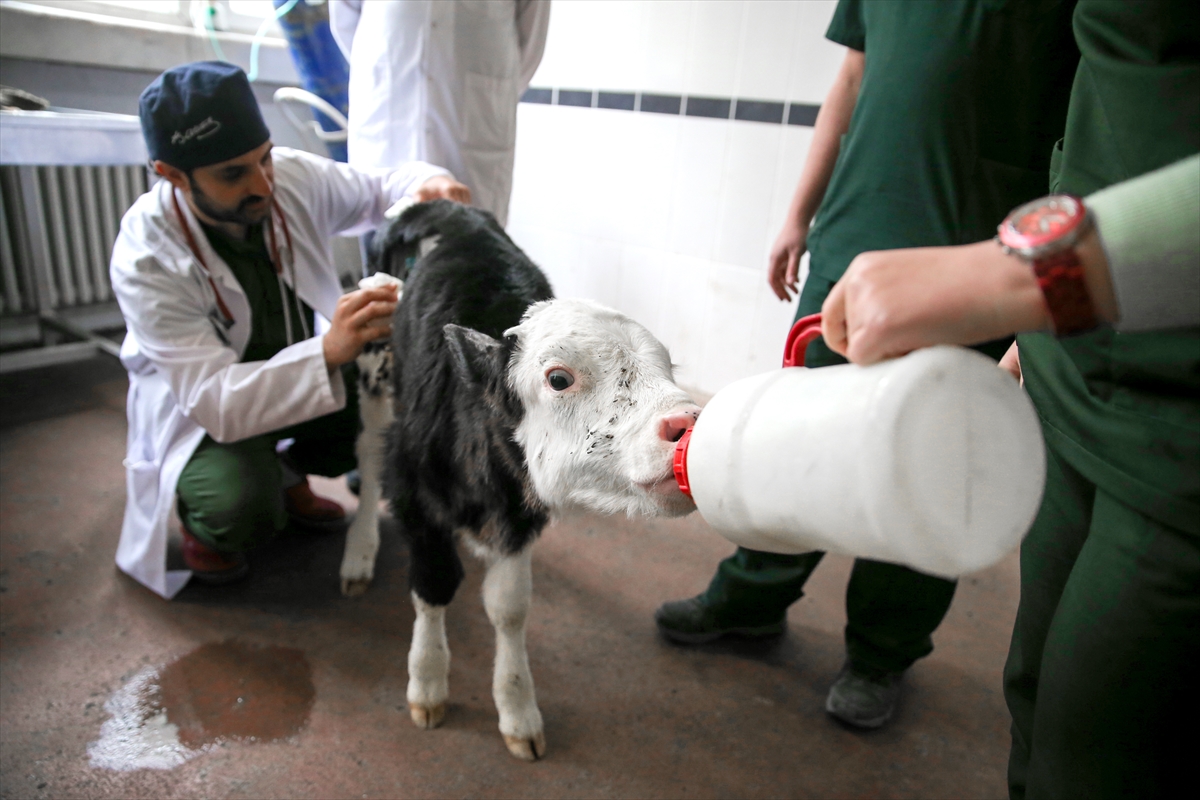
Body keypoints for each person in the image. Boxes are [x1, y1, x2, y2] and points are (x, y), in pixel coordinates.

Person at [654, 0, 1080, 729]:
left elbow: (1087, 134)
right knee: (785, 440)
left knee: (936, 461)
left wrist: (1043, 310)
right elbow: (851, 77)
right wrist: (800, 212)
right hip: (854, 233)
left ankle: (883, 650)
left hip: (975, 259)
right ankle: (751, 596)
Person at [818, 2, 1197, 795]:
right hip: (1076, 358)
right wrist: (1051, 313)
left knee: (1094, 747)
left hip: (1178, 431)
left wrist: (1019, 274)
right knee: (1028, 694)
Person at [110, 61, 470, 599]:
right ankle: (209, 515)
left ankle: (284, 473)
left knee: (389, 414)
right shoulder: (146, 258)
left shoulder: (288, 177)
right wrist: (330, 349)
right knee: (241, 510)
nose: (262, 184)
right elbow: (216, 400)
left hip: (300, 364)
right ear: (172, 175)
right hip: (202, 414)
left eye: (264, 158)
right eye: (233, 174)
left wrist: (429, 183)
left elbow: (381, 188)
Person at [330, 0, 550, 227]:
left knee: (471, 248)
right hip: (388, 123)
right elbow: (344, 23)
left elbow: (531, 44)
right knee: (384, 244)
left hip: (473, 130)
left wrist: (490, 91)